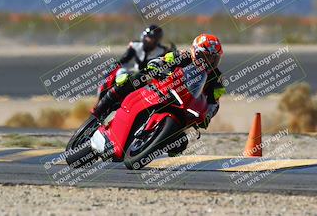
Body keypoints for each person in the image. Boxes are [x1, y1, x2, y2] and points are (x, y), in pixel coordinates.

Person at [92, 33, 226, 156]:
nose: (209, 62)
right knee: (134, 80)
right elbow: (164, 60)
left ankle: (151, 144)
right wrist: (157, 65)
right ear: (195, 52)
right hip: (163, 89)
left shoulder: (216, 78)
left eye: (214, 59)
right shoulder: (183, 56)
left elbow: (214, 103)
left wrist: (208, 114)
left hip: (185, 107)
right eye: (206, 57)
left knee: (180, 145)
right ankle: (98, 112)